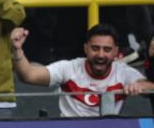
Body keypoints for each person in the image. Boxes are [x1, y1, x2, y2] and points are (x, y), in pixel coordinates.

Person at [10, 23, 153, 116]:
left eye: (107, 50)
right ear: (86, 48)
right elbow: (28, 75)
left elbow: (149, 86)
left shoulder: (123, 72)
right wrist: (17, 49)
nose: (100, 55)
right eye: (95, 48)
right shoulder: (69, 68)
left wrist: (139, 86)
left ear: (116, 51)